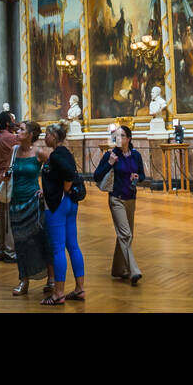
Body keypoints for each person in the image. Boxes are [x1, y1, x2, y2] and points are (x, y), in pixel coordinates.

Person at [93, 124, 145, 286]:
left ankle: (118, 269)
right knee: (125, 234)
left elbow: (142, 175)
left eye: (122, 136)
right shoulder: (111, 155)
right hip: (116, 198)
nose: (119, 139)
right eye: (117, 136)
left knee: (126, 235)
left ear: (129, 138)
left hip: (131, 198)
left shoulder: (136, 155)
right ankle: (133, 270)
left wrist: (137, 177)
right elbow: (96, 176)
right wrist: (109, 163)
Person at [7, 121, 54, 298]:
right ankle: (23, 280)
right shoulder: (14, 152)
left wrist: (45, 188)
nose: (17, 132)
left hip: (33, 203)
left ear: (31, 134)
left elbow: (53, 171)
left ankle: (51, 278)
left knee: (41, 240)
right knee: (20, 243)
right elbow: (8, 171)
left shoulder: (39, 153)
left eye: (21, 130)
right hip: (16, 203)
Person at [40, 123, 85, 305]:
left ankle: (58, 293)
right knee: (73, 246)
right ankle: (80, 289)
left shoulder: (56, 155)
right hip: (70, 204)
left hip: (58, 205)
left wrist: (63, 189)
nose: (44, 138)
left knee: (58, 248)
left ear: (53, 136)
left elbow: (67, 174)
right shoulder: (66, 153)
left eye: (46, 134)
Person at [0, 111, 18, 262]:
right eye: (13, 119)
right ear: (8, 123)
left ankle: (0, 248)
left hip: (0, 176)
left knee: (3, 216)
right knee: (9, 217)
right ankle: (9, 251)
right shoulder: (11, 138)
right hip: (8, 179)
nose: (16, 122)